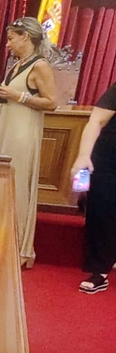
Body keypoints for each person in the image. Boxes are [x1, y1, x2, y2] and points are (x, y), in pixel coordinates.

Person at [0, 17, 59, 268]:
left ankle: (13, 248)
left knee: (14, 187)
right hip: (5, 129)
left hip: (22, 134)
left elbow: (51, 102)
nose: (8, 44)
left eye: (11, 38)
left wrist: (19, 94)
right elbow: (6, 103)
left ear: (25, 37)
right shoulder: (17, 65)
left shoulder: (39, 66)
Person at [73, 82, 116, 293]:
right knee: (103, 210)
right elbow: (96, 120)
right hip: (110, 157)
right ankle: (99, 270)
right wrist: (83, 155)